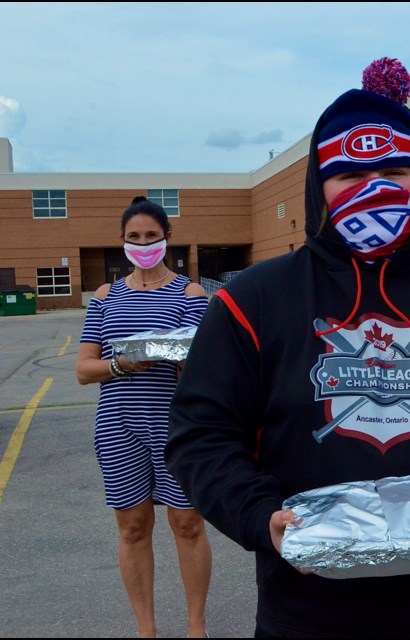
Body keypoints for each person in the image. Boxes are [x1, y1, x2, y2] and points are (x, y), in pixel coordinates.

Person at [164, 57, 410, 638]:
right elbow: (202, 435)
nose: (375, 189)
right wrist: (259, 515)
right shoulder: (253, 301)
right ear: (319, 188)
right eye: (349, 175)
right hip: (305, 610)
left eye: (396, 170)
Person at [75, 196, 211, 639]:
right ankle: (146, 631)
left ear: (167, 238)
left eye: (151, 236)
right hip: (119, 425)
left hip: (177, 426)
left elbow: (204, 360)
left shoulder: (190, 293)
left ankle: (195, 628)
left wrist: (181, 359)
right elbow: (84, 369)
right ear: (122, 241)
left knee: (186, 522)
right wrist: (123, 364)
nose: (143, 243)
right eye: (134, 236)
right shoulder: (104, 296)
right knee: (133, 528)